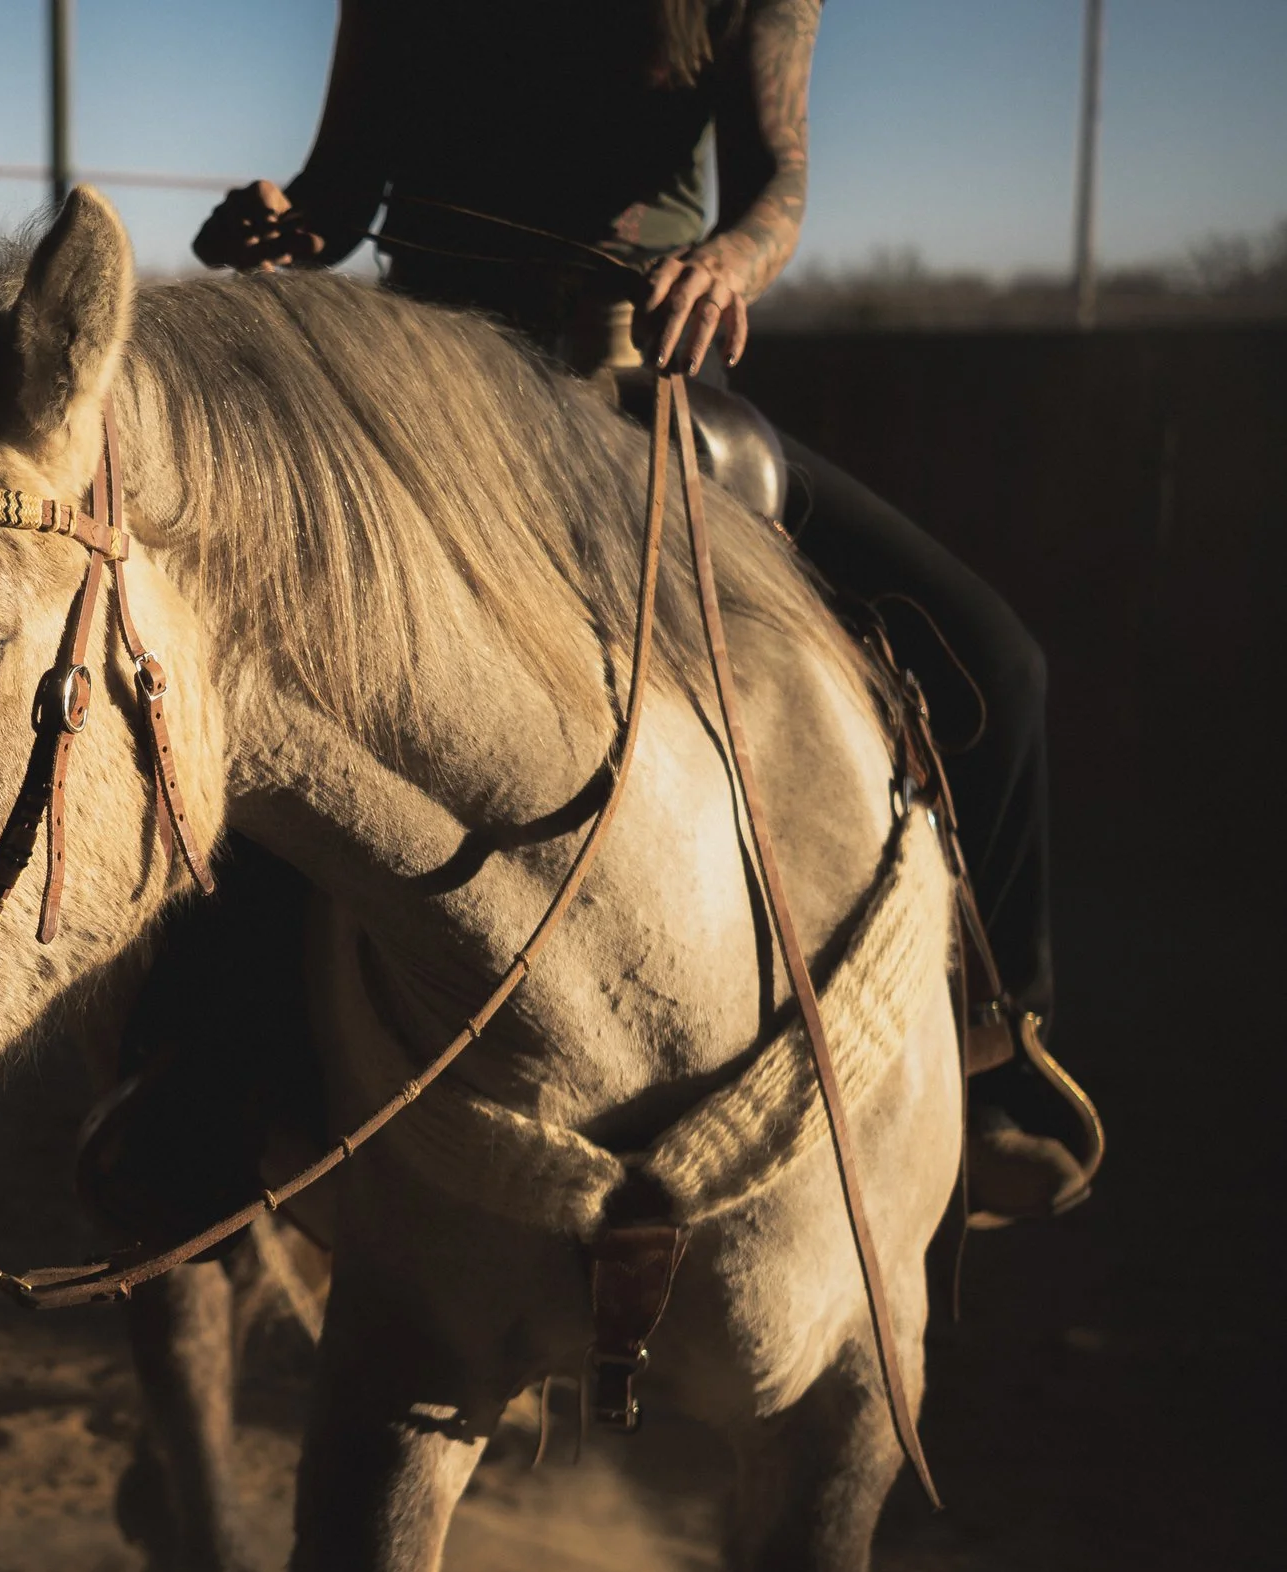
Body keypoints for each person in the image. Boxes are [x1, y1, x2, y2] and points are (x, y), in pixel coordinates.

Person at [187, 0, 1095, 1220]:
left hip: (630, 362)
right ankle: (206, 1069)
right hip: (415, 385)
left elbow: (776, 184)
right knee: (252, 659)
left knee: (993, 659)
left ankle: (988, 1057)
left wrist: (726, 260)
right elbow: (342, 184)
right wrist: (288, 222)